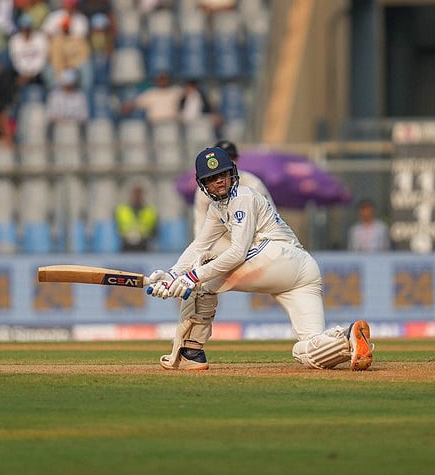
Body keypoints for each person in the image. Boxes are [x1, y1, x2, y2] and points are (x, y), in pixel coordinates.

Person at [146, 146, 373, 371]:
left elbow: (237, 253)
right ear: (203, 184)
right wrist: (173, 274)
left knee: (202, 280)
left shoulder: (243, 196)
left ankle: (190, 353)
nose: (218, 181)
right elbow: (199, 245)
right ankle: (347, 337)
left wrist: (192, 276)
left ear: (232, 172)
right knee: (306, 349)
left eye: (222, 174)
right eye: (211, 178)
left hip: (279, 255)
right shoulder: (217, 208)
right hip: (303, 271)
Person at [115, 184, 158, 251]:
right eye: (135, 193)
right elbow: (116, 229)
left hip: (144, 246)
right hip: (126, 246)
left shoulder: (150, 211)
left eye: (139, 194)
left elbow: (155, 231)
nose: (137, 196)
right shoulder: (122, 210)